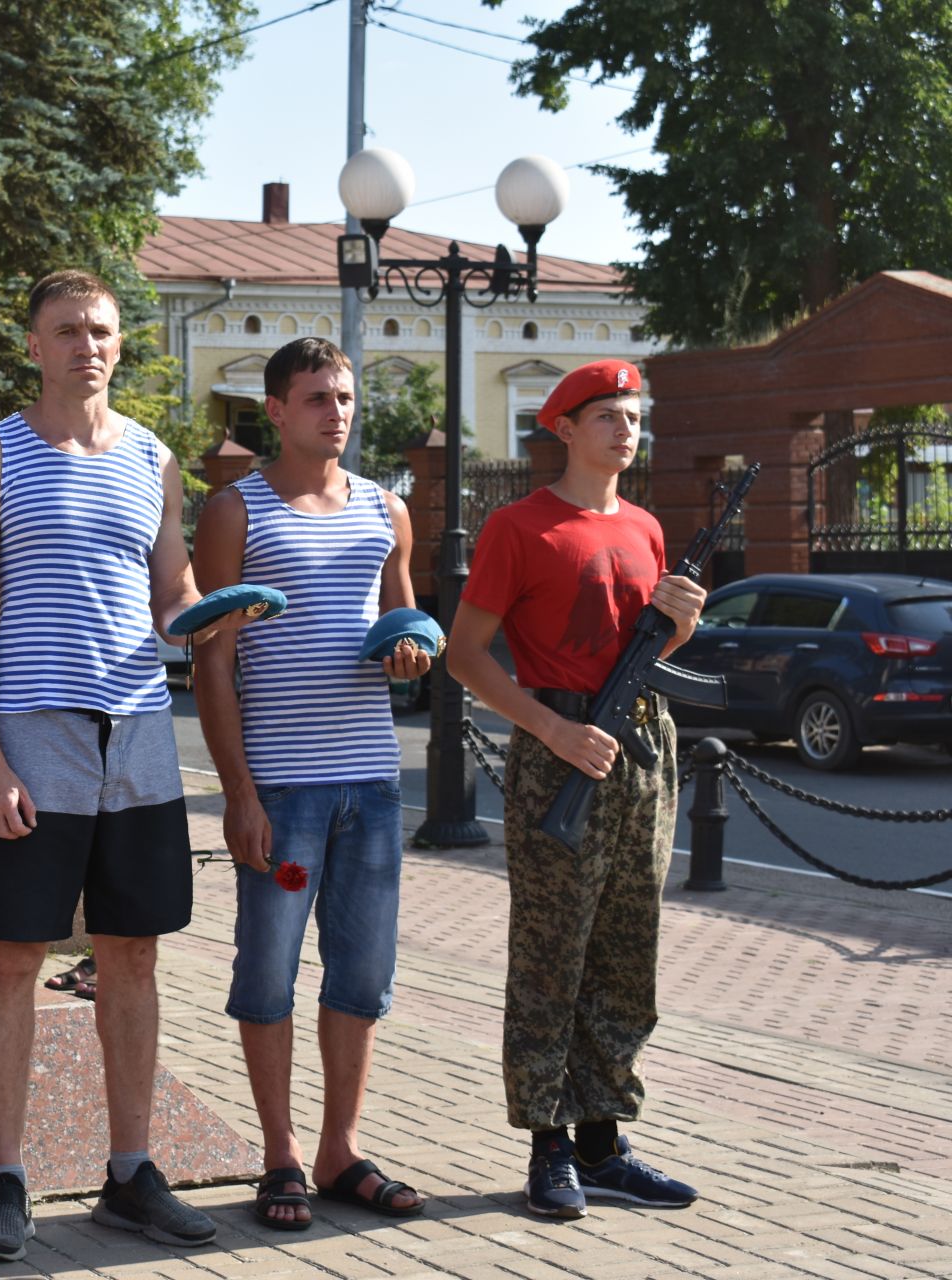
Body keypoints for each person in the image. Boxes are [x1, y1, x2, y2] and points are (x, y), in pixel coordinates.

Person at [0, 269, 226, 1262]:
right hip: (34, 734)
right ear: (33, 345)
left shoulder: (152, 459)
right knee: (15, 957)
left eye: (101, 330)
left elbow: (171, 585)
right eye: (67, 330)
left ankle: (129, 1169)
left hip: (141, 731)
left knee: (133, 955)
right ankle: (8, 1176)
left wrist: (203, 615)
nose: (88, 346)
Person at [447, 359, 704, 1220]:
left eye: (633, 417)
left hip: (639, 751)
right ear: (563, 429)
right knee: (554, 954)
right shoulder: (519, 527)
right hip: (559, 747)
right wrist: (548, 728)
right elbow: (467, 654)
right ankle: (547, 1145)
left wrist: (682, 630)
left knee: (628, 950)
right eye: (606, 417)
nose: (625, 430)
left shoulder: (646, 527)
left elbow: (639, 661)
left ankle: (604, 1140)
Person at [190, 337, 430, 1229]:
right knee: (269, 971)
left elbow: (402, 629)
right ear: (279, 412)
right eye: (319, 397)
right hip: (283, 798)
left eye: (346, 395)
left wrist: (410, 655)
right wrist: (238, 796)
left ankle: (340, 1149)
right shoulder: (235, 512)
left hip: (369, 789)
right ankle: (281, 1154)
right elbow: (213, 668)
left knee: (361, 973)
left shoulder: (385, 510)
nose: (338, 410)